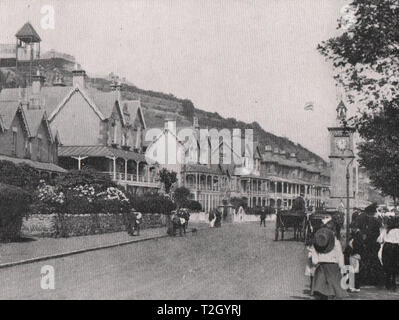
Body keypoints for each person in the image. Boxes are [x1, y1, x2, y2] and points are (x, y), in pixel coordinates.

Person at [309, 227, 348, 299]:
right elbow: (340, 256)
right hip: (333, 268)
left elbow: (314, 261)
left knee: (321, 291)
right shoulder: (336, 242)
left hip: (321, 268)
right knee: (334, 291)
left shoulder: (318, 242)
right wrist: (341, 267)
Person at [377, 217, 399, 291]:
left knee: (387, 265)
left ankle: (387, 283)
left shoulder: (385, 230)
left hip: (387, 248)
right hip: (396, 248)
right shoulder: (397, 231)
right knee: (395, 265)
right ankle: (393, 283)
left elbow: (379, 240)